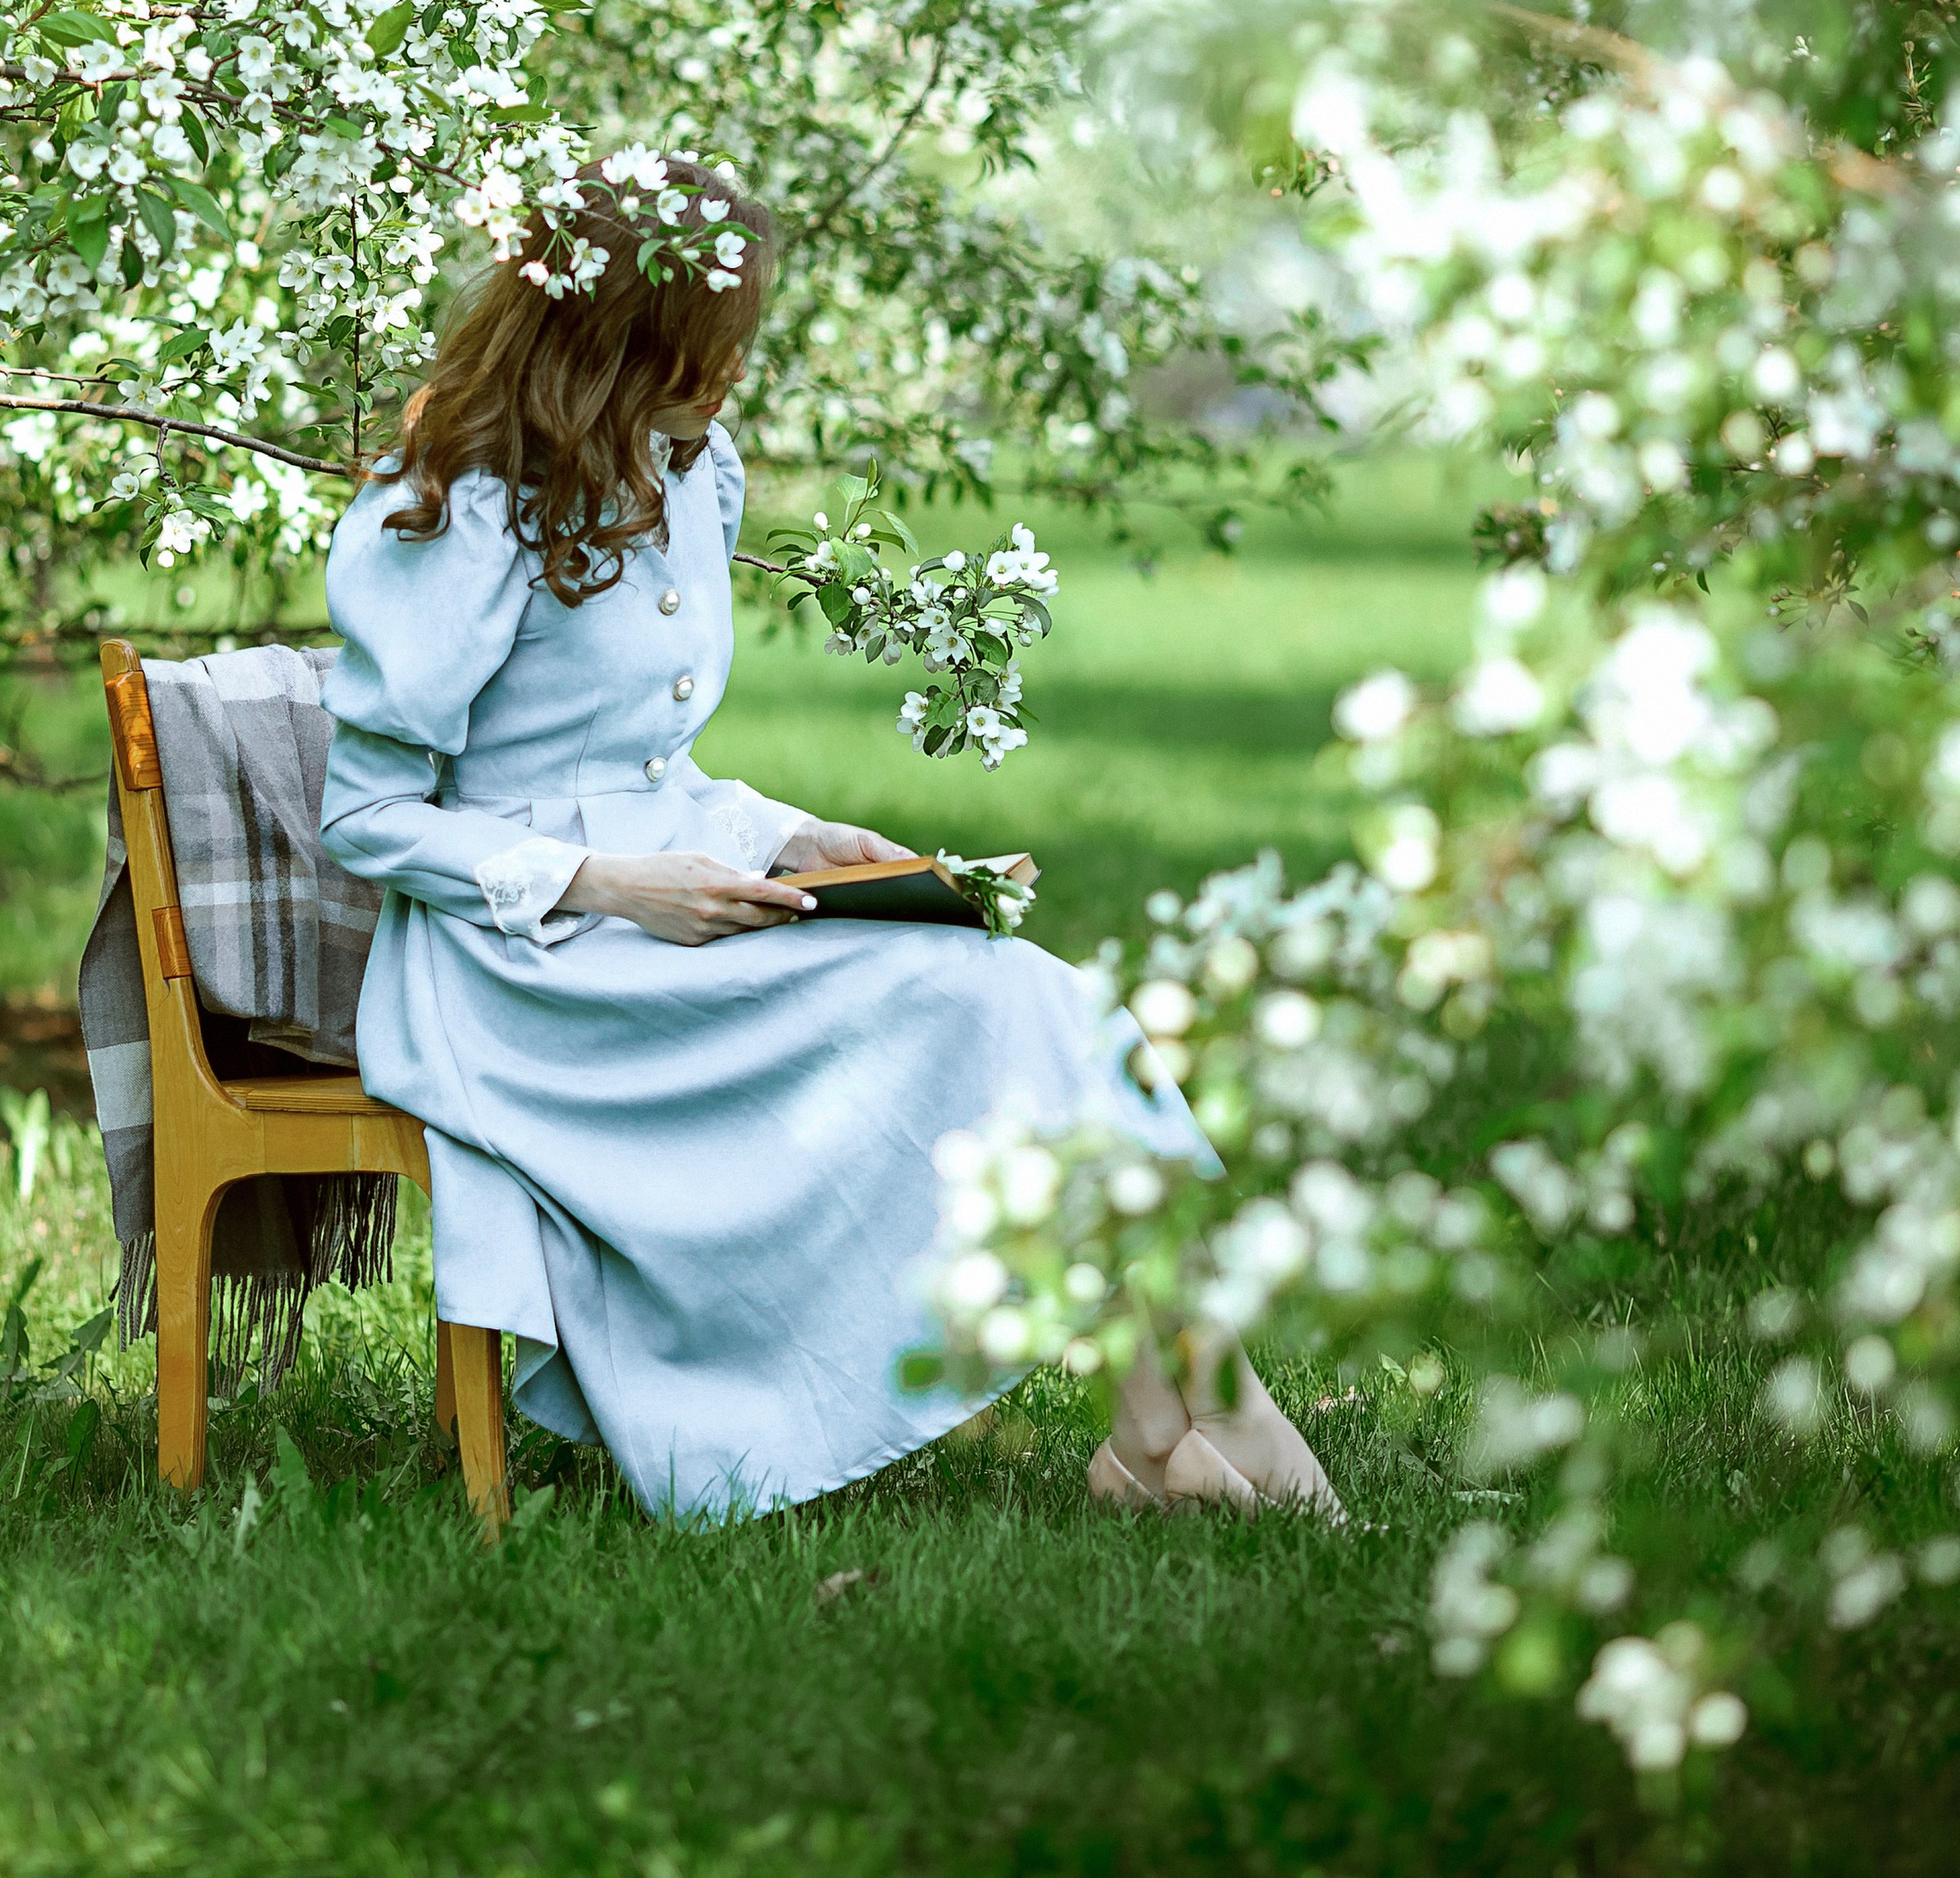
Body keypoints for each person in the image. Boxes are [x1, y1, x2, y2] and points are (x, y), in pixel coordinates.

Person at [319, 154, 1338, 1522]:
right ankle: (1177, 1433)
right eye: (705, 349)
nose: (730, 378)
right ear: (608, 337)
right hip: (530, 973)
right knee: (992, 1001)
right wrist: (611, 886)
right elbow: (368, 818)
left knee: (1030, 995)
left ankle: (1186, 1418)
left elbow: (649, 763)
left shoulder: (691, 467)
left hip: (680, 905)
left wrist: (795, 837)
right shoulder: (458, 506)